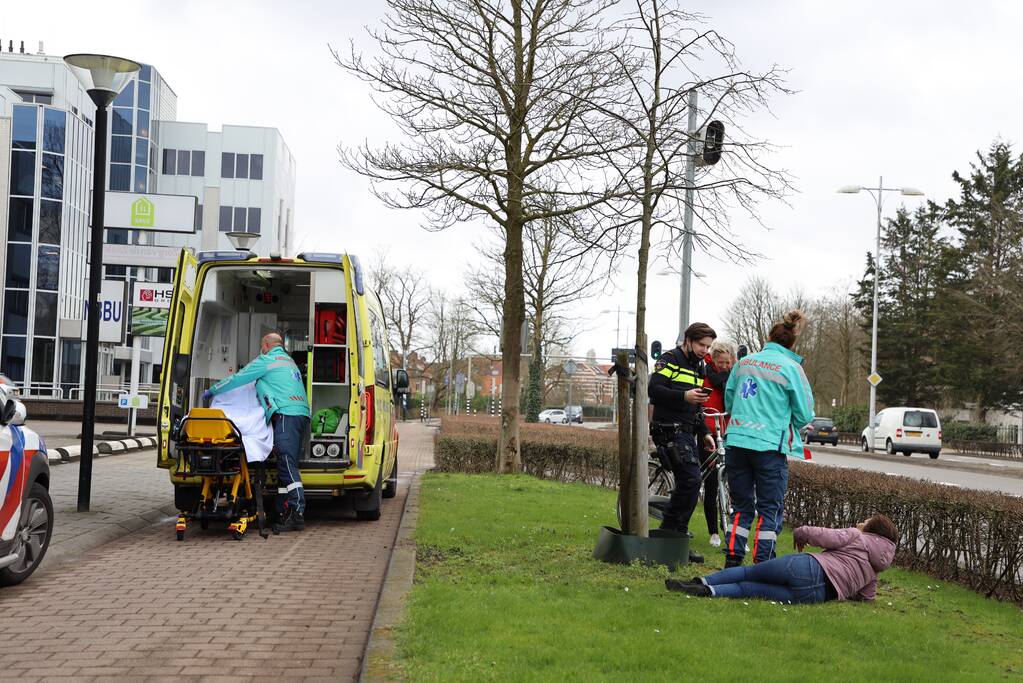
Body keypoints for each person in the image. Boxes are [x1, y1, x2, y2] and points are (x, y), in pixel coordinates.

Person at [721, 310, 814, 567]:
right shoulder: (791, 368)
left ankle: (732, 559)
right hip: (769, 447)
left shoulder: (743, 363)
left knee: (740, 506)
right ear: (792, 343)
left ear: (769, 338)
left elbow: (730, 400)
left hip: (737, 442)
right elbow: (805, 413)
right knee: (769, 508)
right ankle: (763, 563)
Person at [205, 332, 311, 532]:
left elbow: (238, 378)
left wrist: (213, 390)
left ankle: (297, 512)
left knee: (287, 463)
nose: (261, 349)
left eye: (262, 345)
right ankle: (282, 511)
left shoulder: (266, 360)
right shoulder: (288, 362)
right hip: (301, 415)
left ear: (266, 344)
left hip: (287, 414)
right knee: (285, 466)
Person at [665, 514, 898, 603]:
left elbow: (824, 537)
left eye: (866, 521)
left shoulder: (856, 535)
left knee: (749, 572)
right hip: (815, 595)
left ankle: (701, 582)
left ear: (871, 529)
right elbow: (866, 597)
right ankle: (707, 593)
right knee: (748, 589)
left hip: (808, 567)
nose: (862, 521)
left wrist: (800, 533)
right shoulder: (876, 569)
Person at [648, 322, 718, 564]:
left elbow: (696, 403)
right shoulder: (670, 359)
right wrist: (682, 395)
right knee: (691, 480)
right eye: (701, 345)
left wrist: (704, 431)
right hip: (668, 429)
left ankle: (677, 542)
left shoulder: (699, 366)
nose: (705, 350)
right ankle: (666, 535)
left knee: (691, 484)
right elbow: (653, 390)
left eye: (708, 346)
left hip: (688, 430)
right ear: (688, 340)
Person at [701, 340, 737, 549]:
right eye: (720, 362)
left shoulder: (733, 378)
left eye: (727, 363)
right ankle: (713, 531)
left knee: (732, 483)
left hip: (727, 430)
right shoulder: (705, 376)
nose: (724, 366)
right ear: (713, 360)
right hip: (708, 431)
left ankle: (731, 531)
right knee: (712, 483)